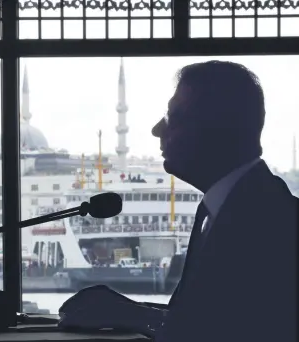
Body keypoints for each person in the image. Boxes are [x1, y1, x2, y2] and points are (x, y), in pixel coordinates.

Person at [59, 61, 297, 342]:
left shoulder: (272, 223)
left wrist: (133, 316)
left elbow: (238, 330)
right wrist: (135, 311)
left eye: (173, 117)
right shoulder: (232, 206)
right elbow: (210, 315)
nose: (157, 129)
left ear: (216, 127)